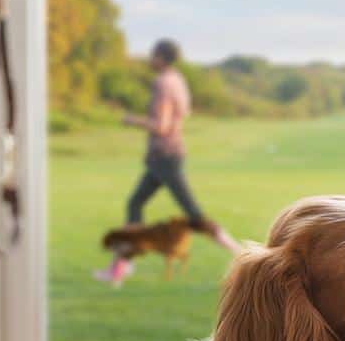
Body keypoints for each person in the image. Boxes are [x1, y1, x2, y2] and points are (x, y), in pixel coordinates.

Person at [96, 38, 238, 285]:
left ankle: (241, 253)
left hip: (164, 157)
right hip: (163, 157)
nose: (150, 59)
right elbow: (184, 112)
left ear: (161, 57)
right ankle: (120, 267)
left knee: (193, 214)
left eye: (153, 55)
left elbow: (160, 126)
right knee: (135, 203)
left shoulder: (162, 83)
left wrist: (131, 120)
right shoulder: (178, 80)